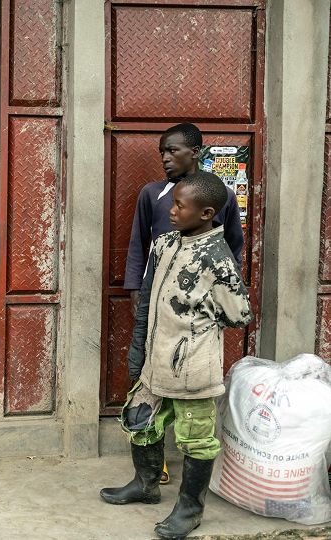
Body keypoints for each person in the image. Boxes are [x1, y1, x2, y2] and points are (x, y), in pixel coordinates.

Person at [100, 171, 253, 540]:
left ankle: (189, 509)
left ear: (206, 213)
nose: (171, 210)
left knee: (195, 439)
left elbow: (239, 314)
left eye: (180, 205)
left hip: (192, 368)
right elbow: (148, 298)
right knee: (139, 421)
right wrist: (139, 348)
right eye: (173, 202)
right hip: (155, 361)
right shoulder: (164, 243)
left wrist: (196, 319)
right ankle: (145, 484)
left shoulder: (217, 259)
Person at [123, 122, 244, 484]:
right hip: (155, 293)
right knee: (145, 370)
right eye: (161, 151)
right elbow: (139, 243)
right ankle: (152, 469)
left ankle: (189, 489)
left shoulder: (219, 194)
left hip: (192, 308)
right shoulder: (152, 194)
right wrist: (136, 289)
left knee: (188, 377)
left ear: (195, 152)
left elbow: (232, 245)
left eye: (172, 150)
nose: (165, 157)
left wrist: (216, 289)